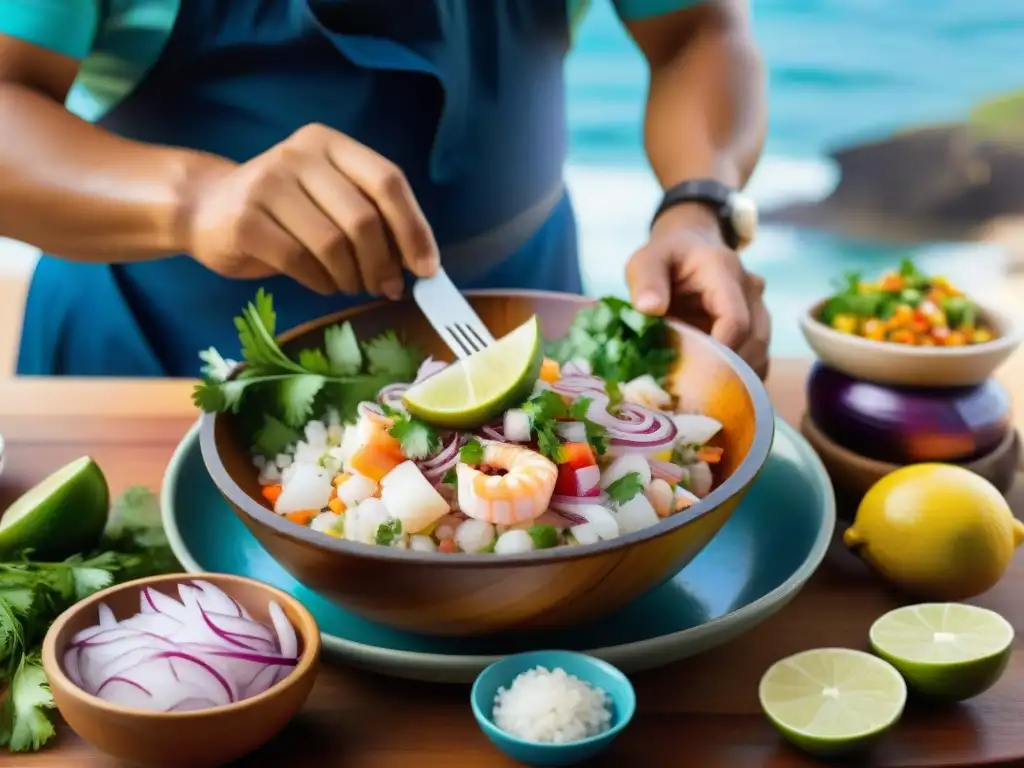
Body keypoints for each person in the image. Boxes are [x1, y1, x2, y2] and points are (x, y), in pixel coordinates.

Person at [0, 0, 769, 379]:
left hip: (515, 318)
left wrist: (698, 207)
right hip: (163, 352)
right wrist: (197, 199)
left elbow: (699, 30)